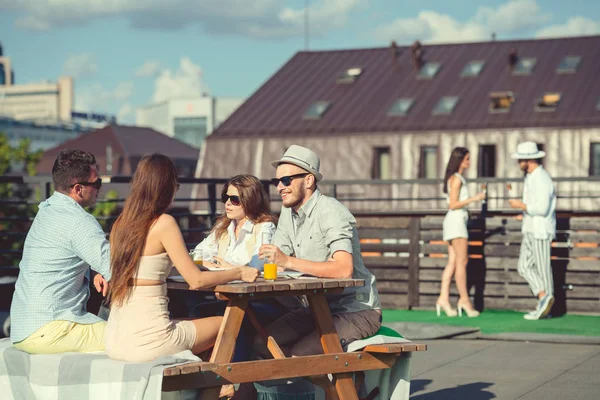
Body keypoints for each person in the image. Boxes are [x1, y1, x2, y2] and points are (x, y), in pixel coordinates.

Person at [105, 154, 258, 363]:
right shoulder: (164, 223)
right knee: (230, 323)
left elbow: (150, 269)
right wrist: (239, 272)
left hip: (115, 341)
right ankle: (223, 388)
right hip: (149, 343)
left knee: (193, 322)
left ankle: (205, 388)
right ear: (166, 187)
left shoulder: (119, 225)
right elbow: (196, 281)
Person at [256, 145, 381, 357]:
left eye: (286, 181)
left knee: (299, 355)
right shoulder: (288, 213)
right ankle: (319, 386)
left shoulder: (331, 211)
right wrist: (236, 270)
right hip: (316, 307)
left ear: (308, 180)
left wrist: (287, 261)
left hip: (357, 310)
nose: (279, 187)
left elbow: (343, 270)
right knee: (261, 343)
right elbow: (274, 261)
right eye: (276, 182)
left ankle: (341, 387)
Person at [10, 149, 111, 353]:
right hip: (52, 328)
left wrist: (94, 271)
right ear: (78, 189)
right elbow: (118, 269)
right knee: (134, 339)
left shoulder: (47, 210)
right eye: (97, 183)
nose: (100, 189)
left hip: (23, 328)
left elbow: (63, 252)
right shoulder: (80, 221)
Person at [508, 142, 556, 320]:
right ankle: (544, 298)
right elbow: (536, 207)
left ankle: (546, 304)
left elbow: (542, 208)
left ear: (528, 160)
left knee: (543, 270)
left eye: (521, 159)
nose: (519, 162)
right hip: (531, 229)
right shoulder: (532, 177)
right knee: (524, 266)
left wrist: (520, 205)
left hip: (540, 230)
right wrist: (524, 213)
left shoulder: (541, 178)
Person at [437, 147, 485, 318]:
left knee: (453, 262)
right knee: (462, 261)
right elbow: (453, 204)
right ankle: (464, 300)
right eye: (467, 159)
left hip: (453, 222)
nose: (469, 162)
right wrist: (475, 198)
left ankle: (443, 298)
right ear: (460, 160)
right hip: (456, 223)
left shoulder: (454, 178)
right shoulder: (456, 179)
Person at [194, 174, 277, 271]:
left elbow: (259, 265)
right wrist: (211, 265)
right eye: (226, 197)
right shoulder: (224, 226)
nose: (227, 203)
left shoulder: (264, 227)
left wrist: (232, 270)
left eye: (234, 199)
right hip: (224, 282)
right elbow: (195, 255)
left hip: (252, 284)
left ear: (251, 200)